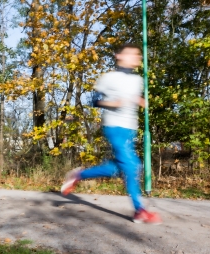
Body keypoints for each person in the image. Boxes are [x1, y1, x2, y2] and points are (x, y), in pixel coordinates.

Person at [61, 43, 162, 225]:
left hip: (130, 128)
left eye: (138, 55)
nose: (136, 58)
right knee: (133, 166)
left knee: (119, 168)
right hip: (114, 127)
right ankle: (140, 210)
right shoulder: (109, 78)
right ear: (119, 56)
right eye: (132, 54)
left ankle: (79, 175)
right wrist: (114, 103)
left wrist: (139, 100)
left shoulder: (138, 80)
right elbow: (95, 101)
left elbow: (131, 100)